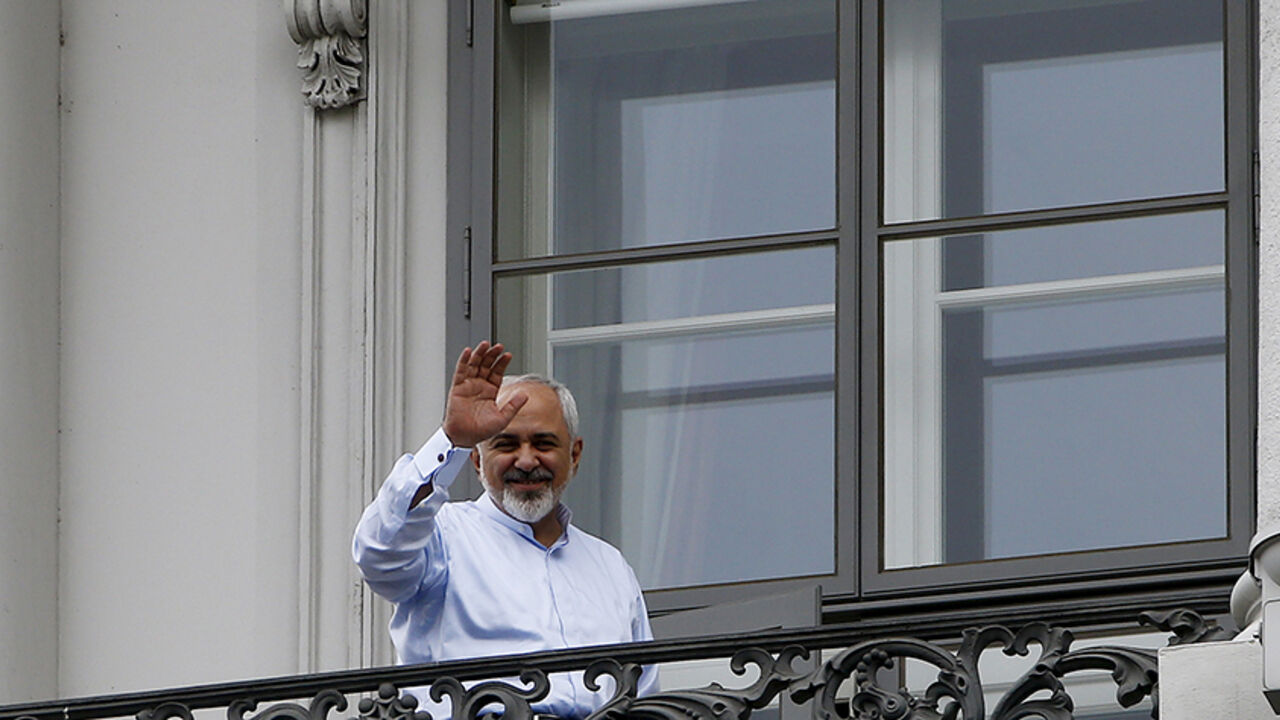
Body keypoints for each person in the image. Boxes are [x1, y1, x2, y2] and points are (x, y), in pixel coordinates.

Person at [352, 341, 659, 718]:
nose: (527, 460)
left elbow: (644, 692)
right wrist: (451, 440)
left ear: (574, 455)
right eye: (506, 444)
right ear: (477, 460)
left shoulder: (610, 567)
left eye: (544, 443)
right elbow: (378, 555)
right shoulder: (442, 535)